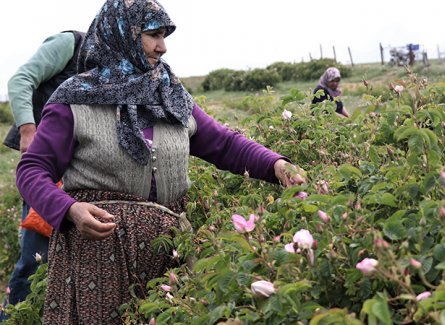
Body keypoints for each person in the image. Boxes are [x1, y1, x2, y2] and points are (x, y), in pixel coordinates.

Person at [15, 0, 305, 323]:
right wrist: (69, 210)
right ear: (122, 33)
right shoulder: (76, 100)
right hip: (96, 263)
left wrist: (277, 164)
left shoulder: (170, 96)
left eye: (164, 35)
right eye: (153, 34)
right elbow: (31, 171)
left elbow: (224, 144)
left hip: (168, 259)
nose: (162, 47)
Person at [0, 30, 83, 320]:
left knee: (70, 253)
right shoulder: (70, 43)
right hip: (46, 165)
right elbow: (20, 80)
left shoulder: (118, 64)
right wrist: (28, 129)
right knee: (36, 256)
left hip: (78, 166)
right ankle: (14, 317)